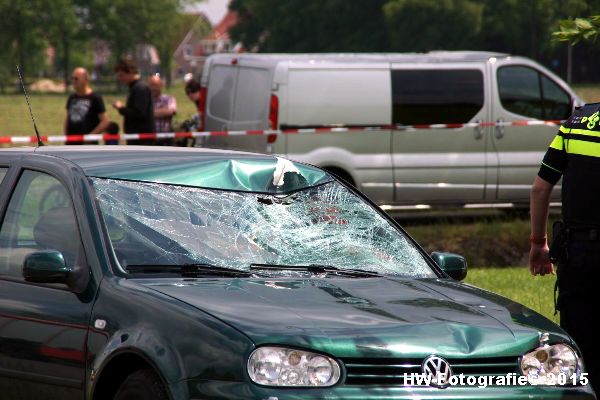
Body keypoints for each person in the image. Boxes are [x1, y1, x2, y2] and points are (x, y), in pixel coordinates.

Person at [529, 102, 600, 395]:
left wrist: (538, 243)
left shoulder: (577, 123)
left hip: (579, 255)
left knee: (578, 345)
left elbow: (540, 188)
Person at [112, 58, 155, 144]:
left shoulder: (140, 88)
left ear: (131, 72)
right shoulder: (135, 88)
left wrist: (121, 108)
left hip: (142, 140)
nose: (120, 79)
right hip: (136, 138)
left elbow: (139, 113)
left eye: (122, 75)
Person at [64, 67, 109, 144]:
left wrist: (91, 137)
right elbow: (68, 118)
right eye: (72, 78)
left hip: (88, 145)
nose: (73, 81)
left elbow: (105, 121)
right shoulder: (72, 97)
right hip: (71, 143)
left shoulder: (95, 97)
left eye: (76, 79)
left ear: (85, 79)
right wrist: (65, 136)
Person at [148, 74, 176, 145]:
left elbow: (171, 111)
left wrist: (149, 114)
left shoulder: (169, 98)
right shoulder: (146, 100)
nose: (153, 88)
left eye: (156, 85)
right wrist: (163, 111)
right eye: (151, 85)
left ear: (161, 85)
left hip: (166, 140)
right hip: (150, 141)